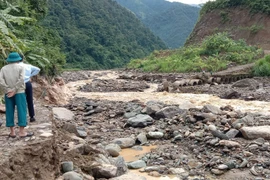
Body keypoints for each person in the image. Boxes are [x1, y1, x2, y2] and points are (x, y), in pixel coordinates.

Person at [0, 52, 33, 138]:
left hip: (8, 93)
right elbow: (21, 79)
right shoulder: (21, 67)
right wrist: (15, 90)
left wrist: (8, 90)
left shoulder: (3, 69)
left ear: (9, 60)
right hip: (19, 92)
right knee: (22, 110)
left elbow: (1, 81)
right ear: (18, 59)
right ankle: (22, 132)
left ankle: (12, 132)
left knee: (9, 111)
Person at [19, 54, 40, 122]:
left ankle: (23, 118)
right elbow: (37, 69)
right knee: (29, 100)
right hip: (28, 83)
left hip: (19, 84)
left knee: (21, 101)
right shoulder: (28, 66)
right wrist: (30, 75)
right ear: (23, 59)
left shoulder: (15, 67)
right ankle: (32, 116)